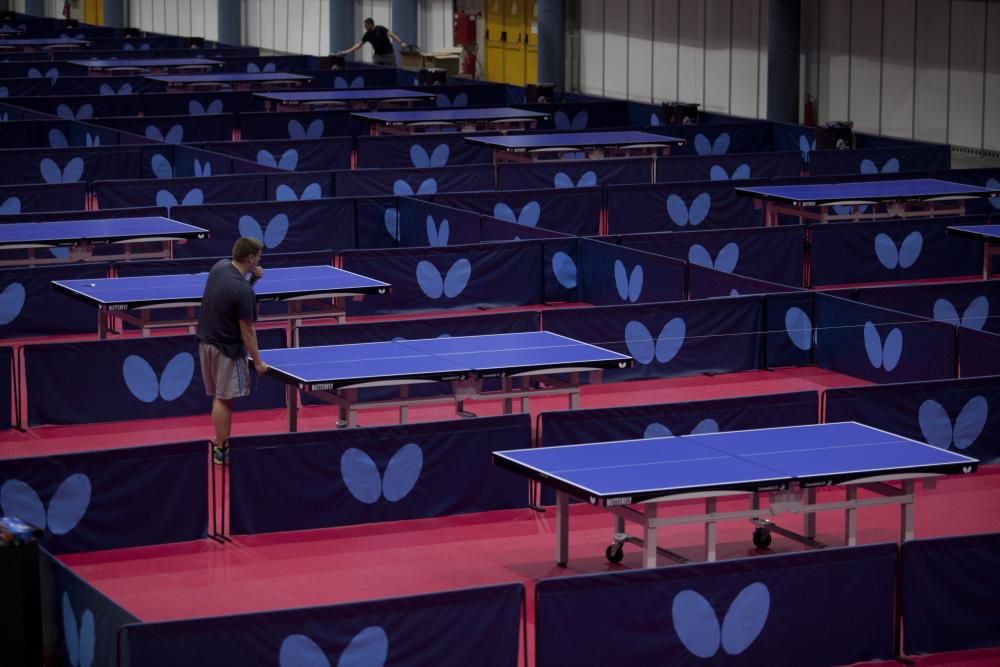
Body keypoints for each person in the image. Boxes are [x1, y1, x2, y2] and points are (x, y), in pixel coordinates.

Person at [197, 237, 268, 464]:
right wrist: (257, 362)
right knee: (224, 399)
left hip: (206, 343)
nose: (258, 260)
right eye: (257, 257)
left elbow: (231, 298)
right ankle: (221, 449)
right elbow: (247, 330)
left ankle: (221, 444)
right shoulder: (243, 291)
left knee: (219, 398)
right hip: (227, 350)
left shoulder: (219, 267)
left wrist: (251, 280)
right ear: (250, 258)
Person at [337, 17, 407, 67]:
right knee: (375, 71)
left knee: (392, 71)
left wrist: (401, 42)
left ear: (371, 24)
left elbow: (392, 35)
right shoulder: (367, 34)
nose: (365, 27)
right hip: (377, 56)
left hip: (388, 55)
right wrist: (347, 51)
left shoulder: (380, 28)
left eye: (366, 26)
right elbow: (359, 45)